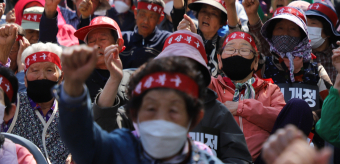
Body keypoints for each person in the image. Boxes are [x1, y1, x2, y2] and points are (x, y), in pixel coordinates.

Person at [93, 29, 253, 164]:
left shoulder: (218, 113)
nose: (178, 74)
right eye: (172, 64)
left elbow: (239, 159)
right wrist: (114, 79)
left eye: (187, 67)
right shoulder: (144, 105)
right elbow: (103, 129)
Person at [58, 47, 226, 164]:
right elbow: (82, 142)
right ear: (134, 113)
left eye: (173, 110)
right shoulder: (121, 149)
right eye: (151, 109)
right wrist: (73, 88)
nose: (161, 118)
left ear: (195, 118)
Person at [210, 32, 285, 160]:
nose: (236, 54)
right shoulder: (211, 86)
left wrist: (242, 108)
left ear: (255, 61)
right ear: (219, 59)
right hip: (219, 159)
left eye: (244, 50)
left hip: (261, 160)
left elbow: (281, 120)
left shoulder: (270, 89)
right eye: (230, 49)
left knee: (298, 106)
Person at [4, 42, 69, 164]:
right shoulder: (12, 103)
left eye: (49, 70)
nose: (41, 76)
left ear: (61, 78)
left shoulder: (72, 110)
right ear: (25, 79)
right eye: (35, 70)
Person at [73, 16, 129, 101]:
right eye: (91, 41)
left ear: (119, 43)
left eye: (103, 39)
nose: (97, 45)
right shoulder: (80, 80)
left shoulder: (132, 78)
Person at [40, 0, 112, 44]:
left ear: (98, 5)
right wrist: (50, 8)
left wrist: (86, 18)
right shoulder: (62, 13)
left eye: (95, 0)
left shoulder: (100, 24)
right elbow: (47, 35)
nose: (89, 0)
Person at [119, 0, 169, 69]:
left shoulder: (166, 40)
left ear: (160, 19)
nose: (146, 21)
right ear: (136, 14)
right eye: (142, 15)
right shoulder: (122, 38)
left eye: (152, 17)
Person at [304, 2, 340, 82]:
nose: (307, 28)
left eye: (313, 23)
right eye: (305, 23)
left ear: (328, 31)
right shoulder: (297, 55)